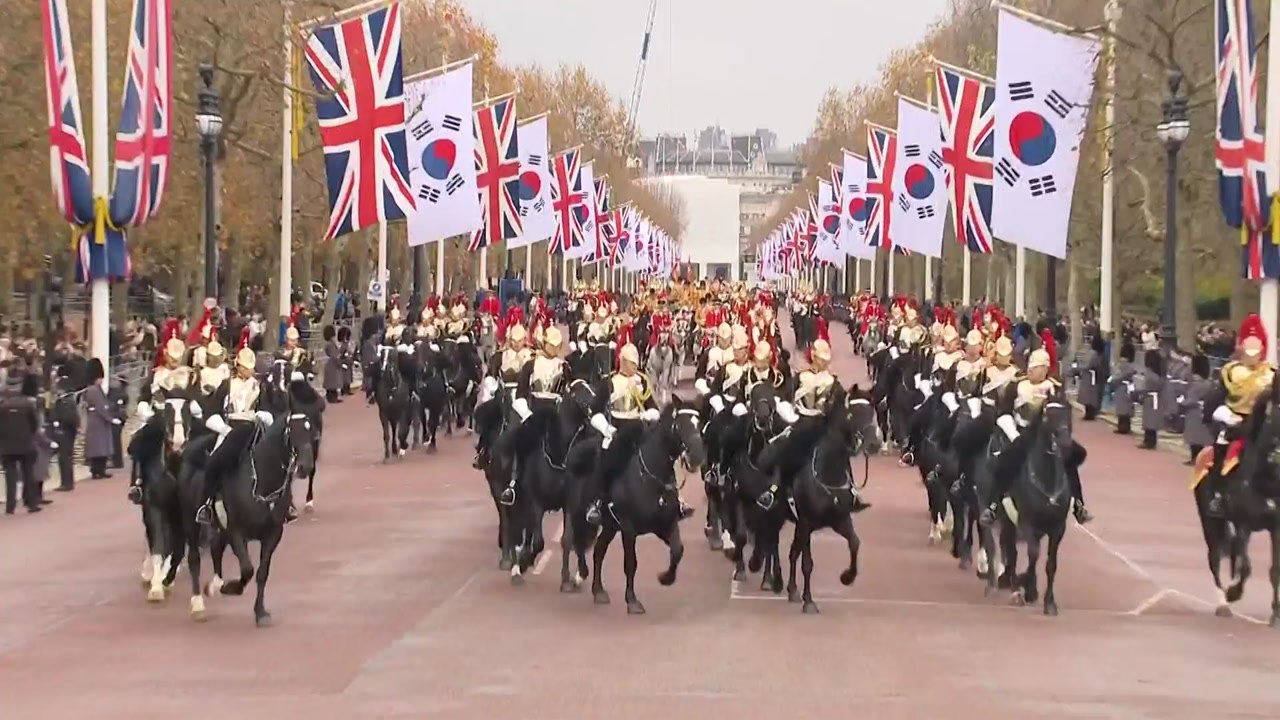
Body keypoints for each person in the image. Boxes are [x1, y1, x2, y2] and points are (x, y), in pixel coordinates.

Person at [981, 347, 1092, 526]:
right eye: (1031, 367)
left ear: (1045, 368)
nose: (1031, 370)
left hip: (1050, 435)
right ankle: (993, 505)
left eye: (1037, 367)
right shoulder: (1017, 384)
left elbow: (1064, 412)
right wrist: (1014, 435)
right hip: (1023, 433)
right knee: (1008, 461)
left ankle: (1078, 504)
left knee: (1071, 458)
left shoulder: (1055, 387)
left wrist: (1064, 436)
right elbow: (1004, 413)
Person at [586, 342, 693, 525]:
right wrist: (605, 428)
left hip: (639, 427)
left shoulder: (642, 381)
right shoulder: (609, 382)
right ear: (622, 361)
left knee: (664, 454)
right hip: (617, 429)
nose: (635, 367)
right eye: (631, 363)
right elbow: (594, 410)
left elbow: (654, 408)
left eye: (636, 363)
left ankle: (676, 497)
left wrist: (646, 415)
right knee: (605, 459)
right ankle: (598, 501)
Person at [1203, 314, 1275, 518]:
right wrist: (1229, 417)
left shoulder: (1272, 373)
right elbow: (1215, 402)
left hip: (1262, 425)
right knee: (1222, 449)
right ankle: (1217, 494)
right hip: (1235, 422)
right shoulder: (1230, 371)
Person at [196, 337, 274, 525]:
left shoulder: (259, 385)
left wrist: (264, 415)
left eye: (251, 367)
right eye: (246, 367)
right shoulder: (226, 385)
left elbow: (268, 407)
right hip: (230, 429)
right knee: (213, 463)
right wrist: (223, 428)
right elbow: (212, 411)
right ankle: (207, 504)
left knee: (276, 458)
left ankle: (281, 501)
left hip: (253, 428)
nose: (250, 371)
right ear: (238, 366)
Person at [0, 364, 41, 514]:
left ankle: (10, 506)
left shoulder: (3, 406)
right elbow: (35, 424)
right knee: (28, 474)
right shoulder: (28, 404)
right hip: (26, 443)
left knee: (10, 476)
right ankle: (31, 503)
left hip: (7, 445)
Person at [82, 358, 119, 480]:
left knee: (101, 448)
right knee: (98, 448)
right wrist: (110, 419)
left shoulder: (95, 389)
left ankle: (100, 470)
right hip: (97, 422)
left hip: (99, 421)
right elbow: (100, 406)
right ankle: (97, 470)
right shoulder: (93, 390)